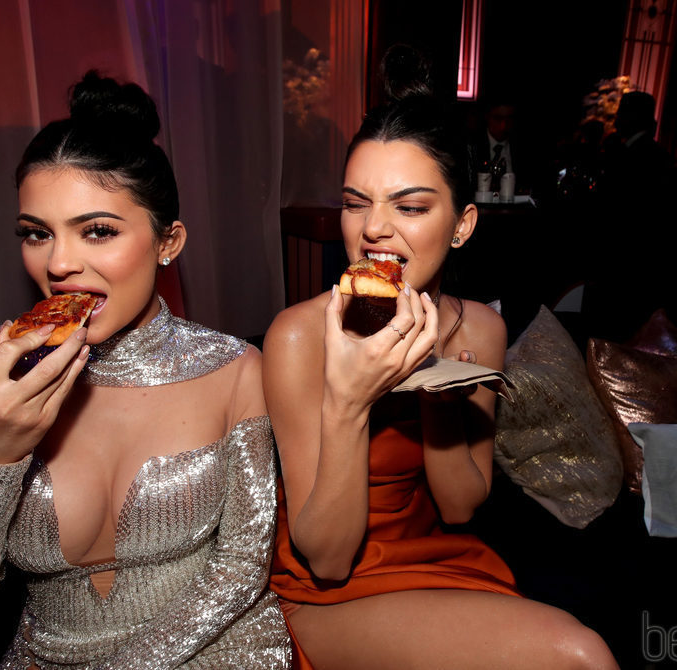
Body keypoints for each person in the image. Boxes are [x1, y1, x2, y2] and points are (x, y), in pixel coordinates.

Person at [0, 72, 291, 669]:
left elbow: (239, 571)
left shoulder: (233, 368)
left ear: (168, 241)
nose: (58, 263)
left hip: (218, 648)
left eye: (97, 231)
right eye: (36, 234)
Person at [264, 58, 620, 669]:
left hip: (434, 556)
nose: (373, 229)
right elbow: (326, 559)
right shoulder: (299, 335)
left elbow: (459, 506)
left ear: (462, 225)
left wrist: (439, 388)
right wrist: (349, 401)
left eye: (410, 208)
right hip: (324, 590)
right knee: (579, 654)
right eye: (357, 203)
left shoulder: (480, 327)